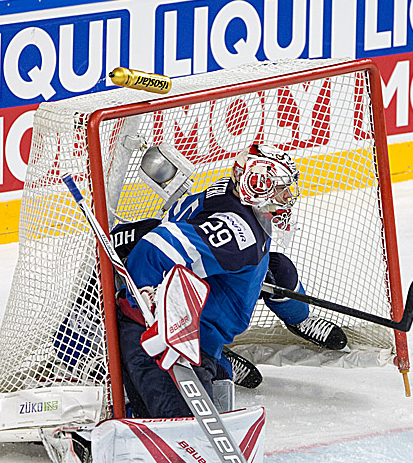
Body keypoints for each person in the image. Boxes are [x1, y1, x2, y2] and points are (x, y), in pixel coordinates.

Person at [113, 142, 346, 419]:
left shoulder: (227, 193)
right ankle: (210, 361)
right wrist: (144, 307)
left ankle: (290, 325)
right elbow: (156, 247)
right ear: (257, 184)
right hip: (166, 339)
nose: (287, 197)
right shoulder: (238, 234)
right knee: (186, 430)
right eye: (280, 188)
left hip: (199, 317)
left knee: (277, 269)